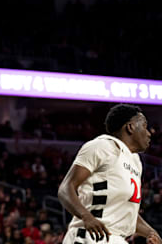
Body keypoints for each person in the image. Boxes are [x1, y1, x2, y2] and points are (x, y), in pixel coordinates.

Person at [58, 103, 162, 244]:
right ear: (130, 127)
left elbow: (126, 212)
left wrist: (150, 232)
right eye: (144, 126)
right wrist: (86, 216)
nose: (149, 133)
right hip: (90, 237)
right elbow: (66, 188)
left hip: (116, 239)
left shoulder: (135, 161)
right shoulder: (101, 146)